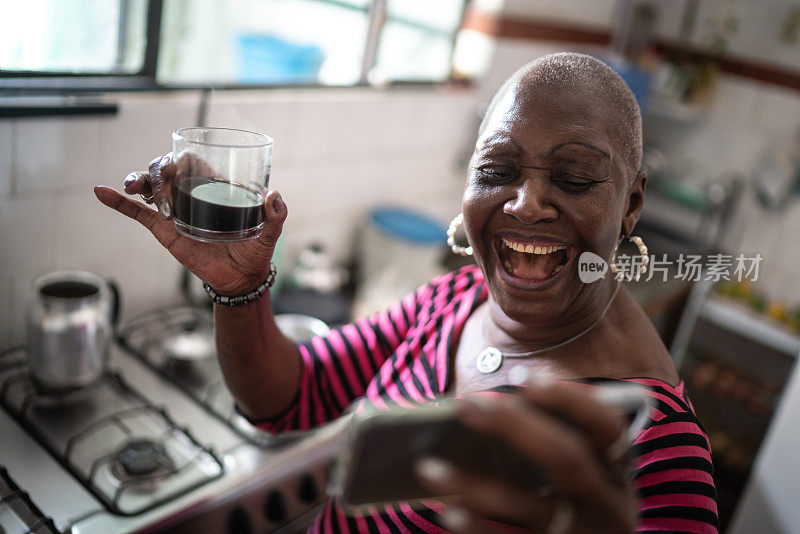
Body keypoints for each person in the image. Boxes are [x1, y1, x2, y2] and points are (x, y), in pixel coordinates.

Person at [95, 52, 719, 533]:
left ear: (631, 202)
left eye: (575, 177)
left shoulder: (659, 445)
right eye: (497, 171)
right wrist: (242, 287)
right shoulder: (455, 300)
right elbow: (286, 398)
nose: (527, 203)